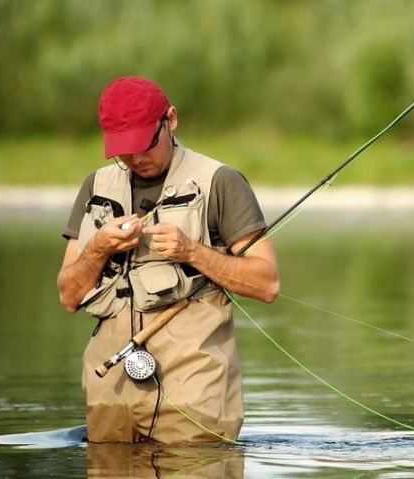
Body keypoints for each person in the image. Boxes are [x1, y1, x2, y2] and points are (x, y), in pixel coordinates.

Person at [57, 76, 280, 444]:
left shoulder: (220, 182)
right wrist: (97, 247)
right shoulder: (94, 187)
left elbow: (267, 284)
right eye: (123, 150)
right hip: (108, 393)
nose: (136, 159)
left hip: (195, 398)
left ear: (170, 120)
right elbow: (68, 297)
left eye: (145, 144)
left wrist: (191, 251)